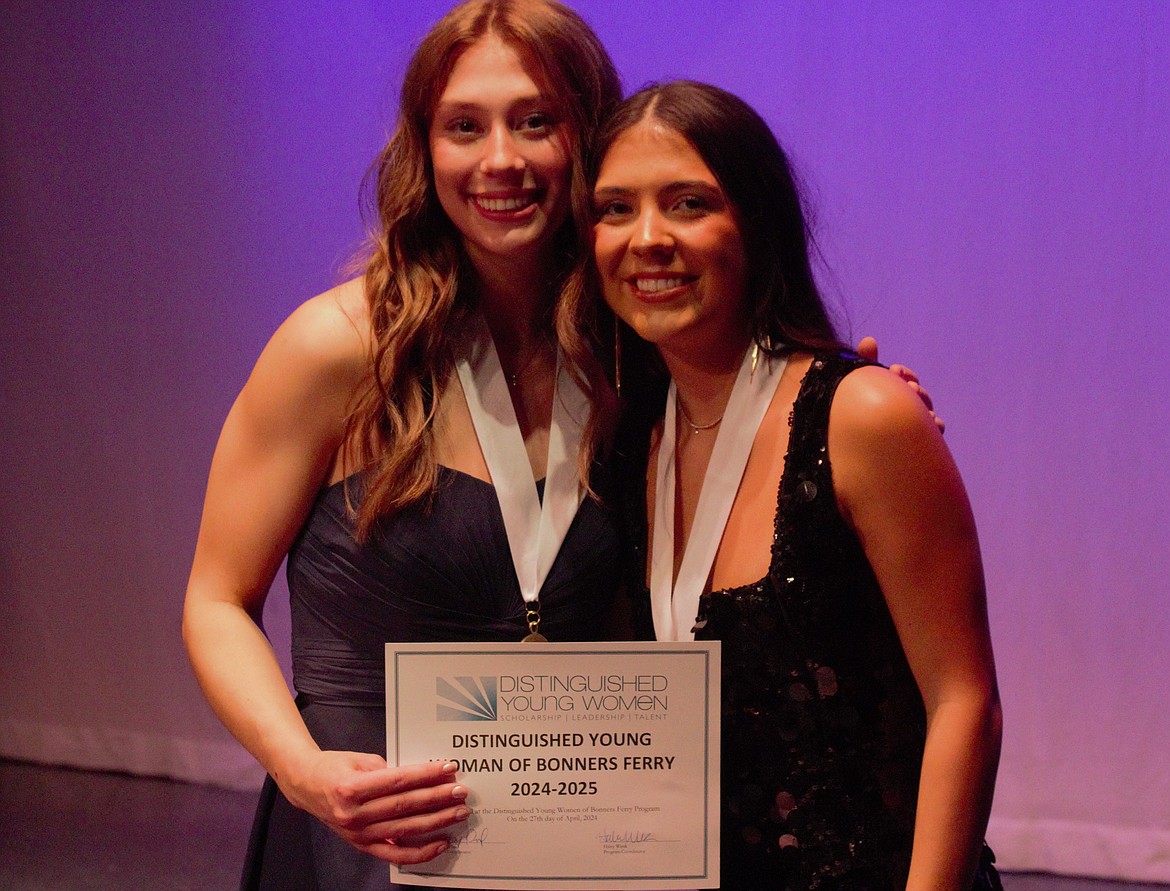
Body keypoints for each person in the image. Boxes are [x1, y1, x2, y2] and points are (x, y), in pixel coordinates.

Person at [183, 1, 936, 887]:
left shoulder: (635, 357)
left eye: (535, 121)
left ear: (588, 135)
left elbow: (780, 448)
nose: (500, 159)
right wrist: (305, 770)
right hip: (370, 836)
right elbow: (216, 599)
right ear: (425, 149)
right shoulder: (343, 350)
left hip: (576, 840)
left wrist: (866, 401)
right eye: (465, 126)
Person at [586, 81, 1002, 890]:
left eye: (687, 203)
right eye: (614, 209)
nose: (647, 239)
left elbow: (965, 704)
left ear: (757, 223)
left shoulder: (863, 414)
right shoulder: (624, 440)